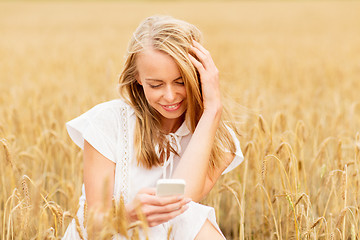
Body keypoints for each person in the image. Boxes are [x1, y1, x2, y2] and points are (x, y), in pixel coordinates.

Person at [62, 15, 243, 240]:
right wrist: (128, 216)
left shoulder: (219, 139)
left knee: (191, 216)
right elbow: (93, 226)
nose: (169, 96)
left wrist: (212, 110)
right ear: (137, 77)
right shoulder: (107, 122)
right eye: (155, 84)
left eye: (181, 82)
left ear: (199, 76)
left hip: (170, 233)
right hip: (108, 236)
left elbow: (180, 202)